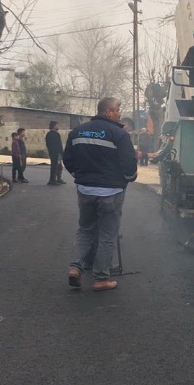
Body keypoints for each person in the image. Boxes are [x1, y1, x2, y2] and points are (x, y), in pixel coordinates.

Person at [63, 97, 137, 291]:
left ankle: (75, 268)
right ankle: (101, 277)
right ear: (109, 112)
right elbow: (129, 162)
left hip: (85, 190)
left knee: (85, 229)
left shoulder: (77, 132)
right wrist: (129, 177)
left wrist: (80, 176)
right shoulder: (119, 134)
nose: (120, 112)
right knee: (107, 233)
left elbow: (68, 159)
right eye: (118, 108)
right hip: (111, 192)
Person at [45, 121, 64, 185]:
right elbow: (56, 145)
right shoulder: (52, 134)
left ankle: (58, 179)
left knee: (59, 166)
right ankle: (52, 180)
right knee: (54, 166)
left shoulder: (53, 134)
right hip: (55, 153)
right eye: (57, 125)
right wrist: (59, 152)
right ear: (54, 126)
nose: (58, 126)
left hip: (56, 153)